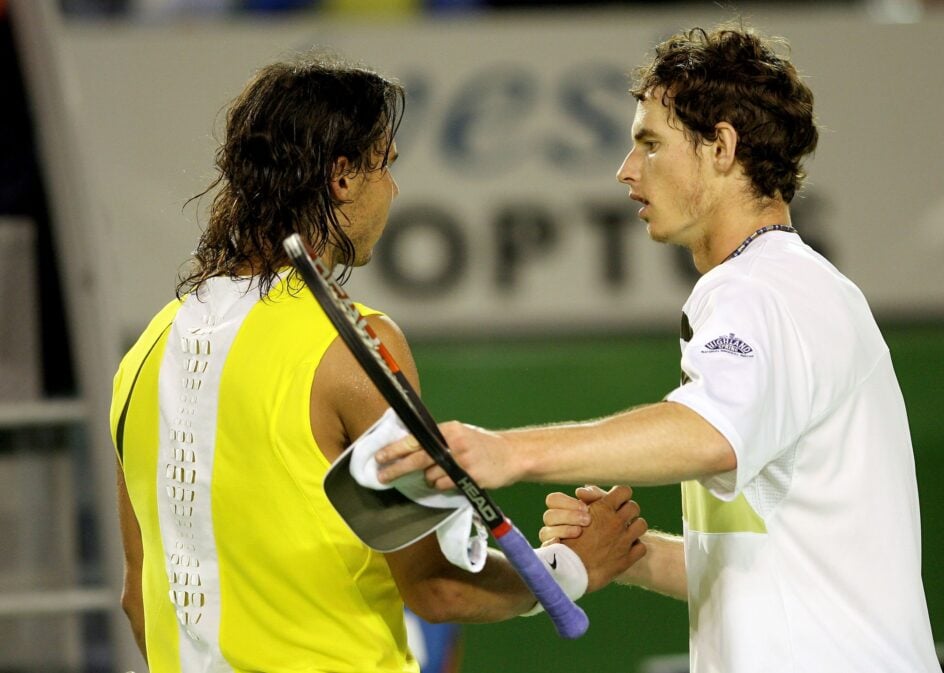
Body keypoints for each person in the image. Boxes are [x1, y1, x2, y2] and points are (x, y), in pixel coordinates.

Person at [375, 25, 943, 673]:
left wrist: (511, 451)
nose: (625, 170)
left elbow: (710, 433)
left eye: (649, 144)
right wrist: (634, 554)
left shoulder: (761, 289)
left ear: (722, 147)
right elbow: (768, 567)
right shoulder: (788, 288)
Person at [109, 54, 646, 672]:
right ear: (342, 177)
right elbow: (438, 586)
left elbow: (138, 600)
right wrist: (573, 568)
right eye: (384, 165)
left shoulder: (144, 352)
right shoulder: (354, 349)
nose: (392, 188)